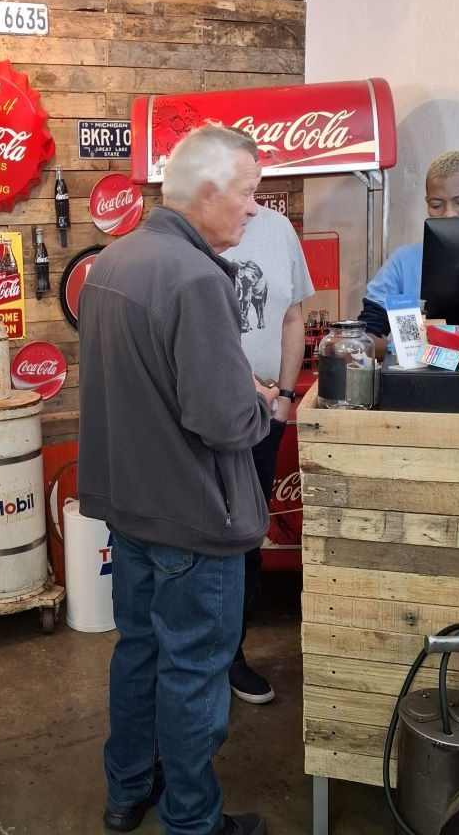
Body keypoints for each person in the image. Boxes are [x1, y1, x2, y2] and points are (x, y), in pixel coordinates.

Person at [78, 126, 277, 835]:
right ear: (207, 193)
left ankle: (127, 790)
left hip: (130, 508)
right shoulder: (195, 278)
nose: (255, 210)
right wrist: (262, 404)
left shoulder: (114, 260)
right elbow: (223, 421)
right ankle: (192, 821)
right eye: (250, 195)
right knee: (193, 672)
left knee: (139, 653)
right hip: (193, 518)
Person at [221, 206, 312, 704]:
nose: (251, 197)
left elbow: (292, 317)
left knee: (247, 542)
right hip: (206, 419)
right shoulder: (194, 227)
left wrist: (284, 399)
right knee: (205, 539)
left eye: (256, 180)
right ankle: (198, 663)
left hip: (264, 417)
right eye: (242, 181)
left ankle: (232, 656)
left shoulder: (278, 231)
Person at [359, 150, 459, 358]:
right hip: (421, 382)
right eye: (436, 205)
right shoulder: (403, 263)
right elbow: (366, 337)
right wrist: (405, 349)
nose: (448, 214)